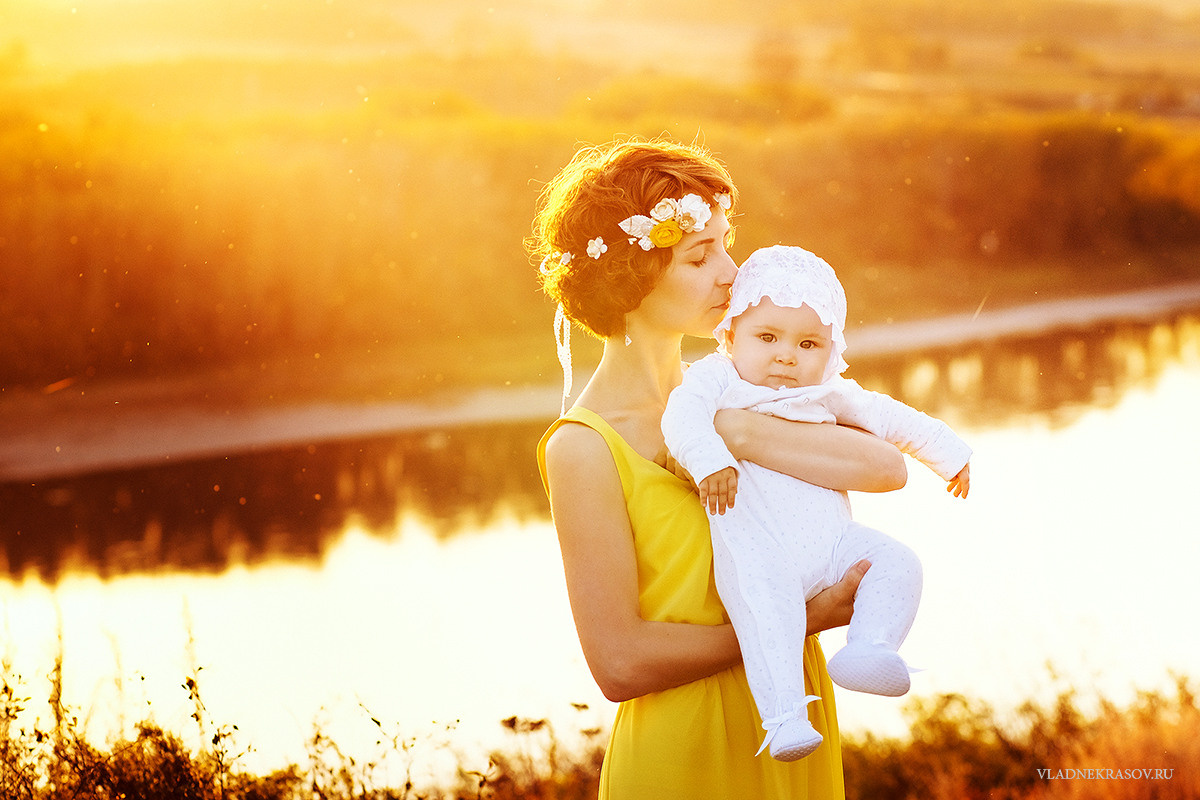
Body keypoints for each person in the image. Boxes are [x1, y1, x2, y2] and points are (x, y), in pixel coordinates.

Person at [529, 137, 908, 799]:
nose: (732, 274)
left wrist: (737, 432)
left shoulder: (744, 389)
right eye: (700, 256)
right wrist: (801, 618)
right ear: (631, 275)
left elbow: (886, 467)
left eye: (726, 246)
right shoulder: (584, 448)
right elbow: (619, 664)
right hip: (686, 754)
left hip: (796, 730)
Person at [660, 244, 972, 762]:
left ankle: (869, 646)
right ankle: (785, 717)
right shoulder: (717, 380)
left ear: (831, 351)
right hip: (761, 549)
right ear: (730, 335)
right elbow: (681, 417)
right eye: (767, 337)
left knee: (898, 562)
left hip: (834, 545)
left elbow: (892, 418)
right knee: (769, 614)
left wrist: (950, 454)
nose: (786, 355)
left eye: (808, 344)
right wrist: (710, 460)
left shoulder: (828, 390)